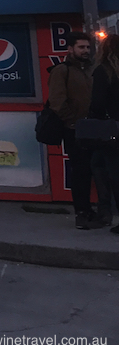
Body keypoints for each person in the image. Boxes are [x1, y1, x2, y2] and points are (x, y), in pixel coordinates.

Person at [49, 31, 103, 229]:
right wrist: (73, 122)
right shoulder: (62, 71)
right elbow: (57, 102)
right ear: (70, 49)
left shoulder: (92, 69)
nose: (86, 51)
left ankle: (91, 210)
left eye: (88, 47)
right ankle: (81, 212)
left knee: (94, 170)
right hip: (74, 130)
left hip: (94, 129)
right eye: (81, 47)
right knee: (80, 171)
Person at [89, 33, 119, 234]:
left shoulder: (103, 71)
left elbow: (98, 104)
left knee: (111, 172)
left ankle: (105, 211)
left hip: (112, 131)